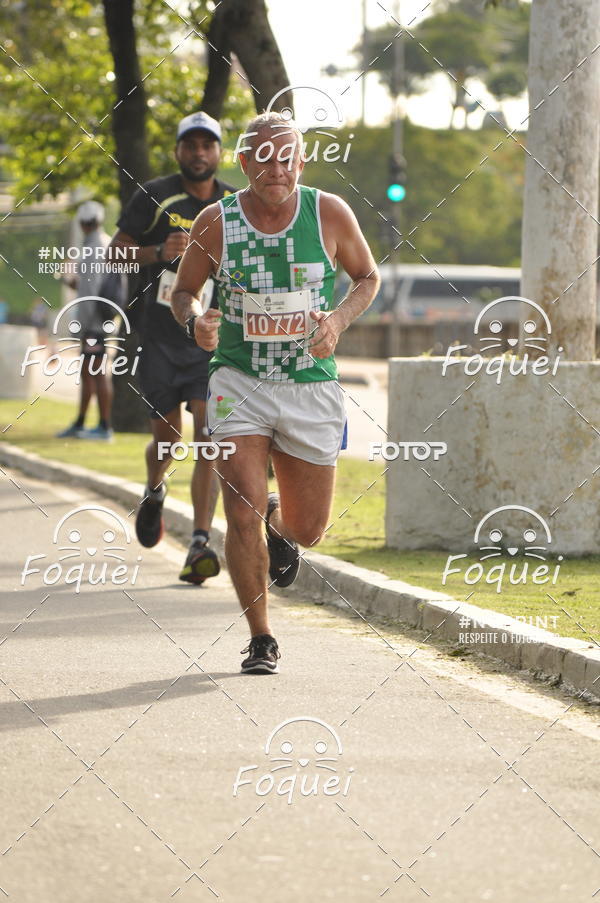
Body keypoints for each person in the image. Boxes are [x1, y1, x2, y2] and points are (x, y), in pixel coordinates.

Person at [171, 112, 380, 673]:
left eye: (286, 157)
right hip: (238, 380)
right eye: (262, 158)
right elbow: (184, 291)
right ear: (243, 164)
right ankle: (261, 637)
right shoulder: (216, 222)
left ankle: (279, 524)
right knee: (239, 509)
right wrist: (196, 323)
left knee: (309, 530)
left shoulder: (328, 213)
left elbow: (367, 278)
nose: (276, 168)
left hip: (309, 384)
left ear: (301, 162)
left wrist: (335, 322)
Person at [110, 111, 234, 585]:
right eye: (191, 145)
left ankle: (200, 541)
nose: (199, 153)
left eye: (208, 145)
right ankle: (155, 489)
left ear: (219, 152)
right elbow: (115, 251)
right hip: (159, 338)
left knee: (208, 438)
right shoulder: (155, 196)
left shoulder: (231, 203)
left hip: (209, 338)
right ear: (179, 151)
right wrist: (158, 253)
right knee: (168, 438)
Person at [56, 200, 115, 441]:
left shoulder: (92, 248)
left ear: (82, 224)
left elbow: (90, 292)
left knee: (96, 372)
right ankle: (83, 422)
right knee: (89, 371)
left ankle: (104, 426)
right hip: (101, 319)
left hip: (94, 323)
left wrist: (81, 325)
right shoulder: (106, 241)